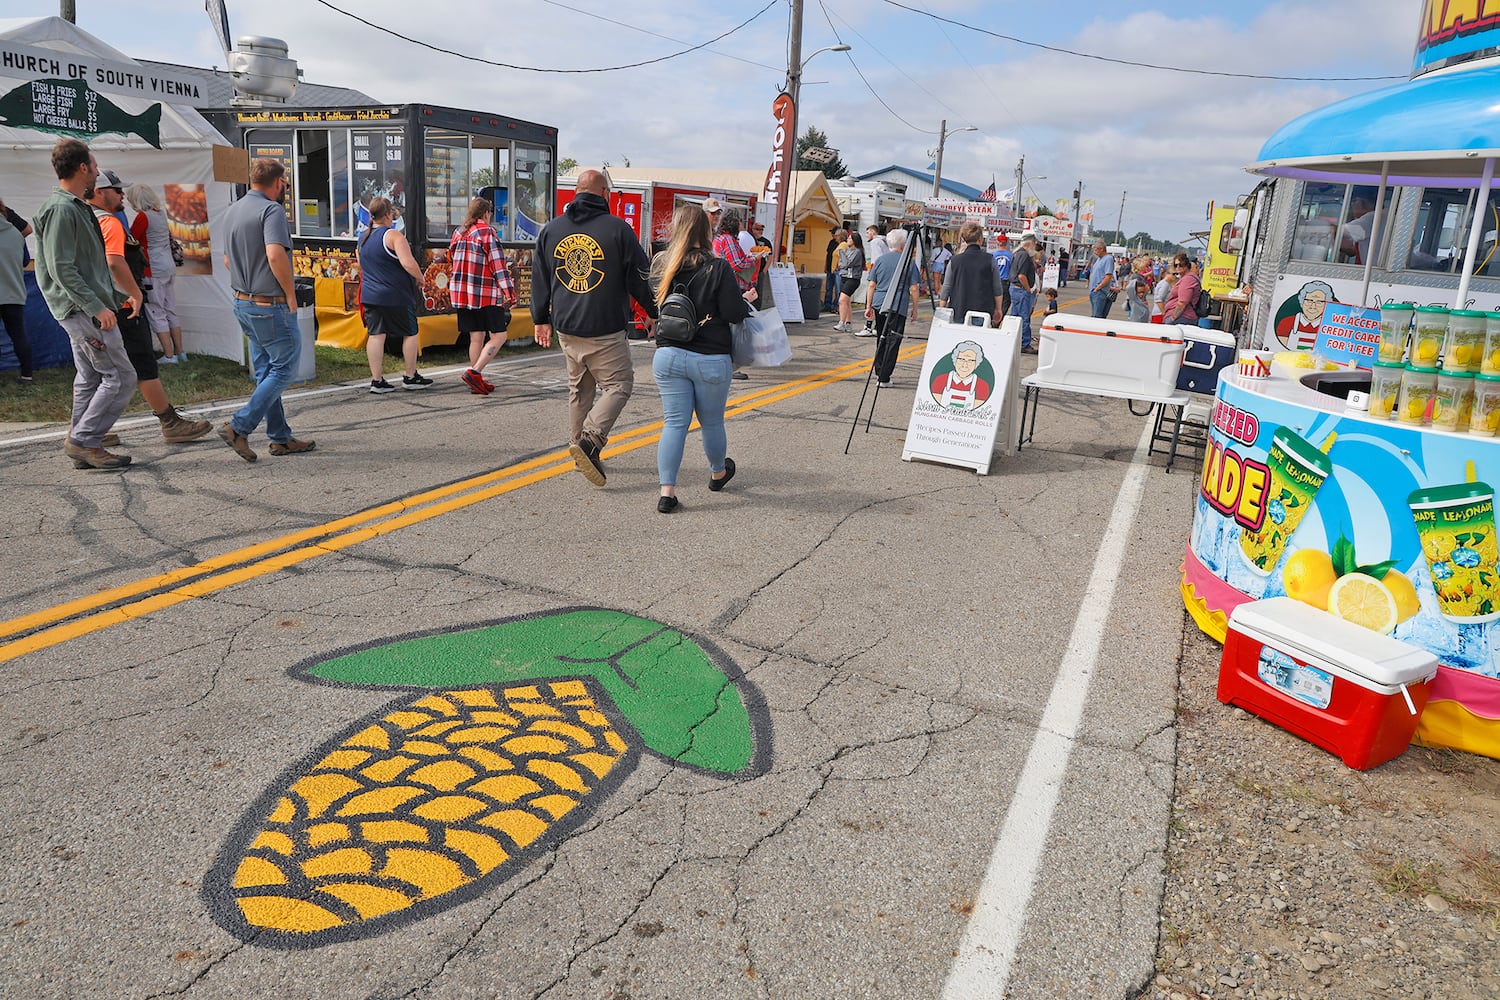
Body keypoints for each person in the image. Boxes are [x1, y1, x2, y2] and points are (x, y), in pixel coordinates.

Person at [532, 168, 657, 487]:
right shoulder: (618, 229)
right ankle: (590, 442)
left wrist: (539, 319)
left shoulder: (551, 230)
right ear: (604, 194)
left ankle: (579, 449)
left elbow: (541, 278)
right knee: (619, 385)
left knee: (580, 389)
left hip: (567, 328)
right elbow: (640, 276)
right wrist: (652, 310)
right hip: (603, 327)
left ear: (576, 193)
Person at [88, 169, 213, 446]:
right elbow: (114, 261)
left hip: (112, 299)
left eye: (124, 190)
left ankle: (87, 430)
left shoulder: (91, 219)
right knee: (139, 360)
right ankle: (169, 421)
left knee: (96, 371)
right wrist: (135, 294)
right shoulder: (109, 221)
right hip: (122, 303)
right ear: (98, 192)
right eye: (117, 190)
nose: (122, 194)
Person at [32, 140, 136, 469]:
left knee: (90, 377)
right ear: (82, 168)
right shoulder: (63, 209)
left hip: (84, 307)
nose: (96, 171)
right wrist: (96, 307)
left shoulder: (74, 207)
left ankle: (82, 444)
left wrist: (117, 298)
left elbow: (87, 266)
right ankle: (85, 441)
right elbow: (62, 268)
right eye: (93, 165)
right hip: (81, 311)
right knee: (120, 376)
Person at [650, 204, 755, 514]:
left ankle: (667, 492)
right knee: (711, 422)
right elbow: (734, 313)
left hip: (668, 355)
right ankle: (717, 472)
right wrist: (745, 299)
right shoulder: (718, 267)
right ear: (705, 231)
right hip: (710, 357)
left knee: (674, 424)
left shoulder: (662, 265)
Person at [220, 157, 314, 462]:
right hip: (268, 304)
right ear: (278, 182)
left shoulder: (234, 210)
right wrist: (289, 295)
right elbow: (275, 256)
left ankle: (280, 438)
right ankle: (239, 426)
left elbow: (226, 260)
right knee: (284, 368)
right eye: (284, 182)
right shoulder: (271, 210)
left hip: (242, 301)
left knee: (266, 371)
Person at [358, 197, 432, 393]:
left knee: (376, 335)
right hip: (395, 294)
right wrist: (420, 277)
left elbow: (362, 265)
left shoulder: (362, 238)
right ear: (389, 214)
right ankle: (410, 375)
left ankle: (377, 380)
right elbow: (408, 262)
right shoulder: (393, 236)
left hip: (370, 294)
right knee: (410, 332)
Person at [449, 198, 517, 395]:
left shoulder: (458, 232)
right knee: (499, 335)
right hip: (485, 292)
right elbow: (498, 266)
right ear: (486, 213)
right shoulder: (487, 232)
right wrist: (509, 293)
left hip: (462, 293)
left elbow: (452, 258)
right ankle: (475, 372)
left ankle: (476, 378)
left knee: (476, 336)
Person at [124, 183, 185, 364]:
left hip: (152, 270)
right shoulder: (160, 214)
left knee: (156, 311)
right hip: (168, 267)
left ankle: (168, 355)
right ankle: (180, 352)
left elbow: (132, 239)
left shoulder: (143, 217)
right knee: (170, 311)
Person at [864, 229, 922, 387]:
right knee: (893, 340)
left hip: (879, 303)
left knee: (881, 338)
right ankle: (884, 376)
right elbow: (914, 288)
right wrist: (915, 308)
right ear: (904, 245)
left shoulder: (881, 260)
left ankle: (879, 370)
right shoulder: (908, 262)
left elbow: (871, 284)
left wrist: (868, 306)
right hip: (897, 305)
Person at [940, 221, 1003, 326]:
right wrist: (998, 309)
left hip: (958, 310)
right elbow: (997, 288)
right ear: (980, 239)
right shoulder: (990, 260)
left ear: (964, 239)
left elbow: (947, 287)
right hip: (983, 311)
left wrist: (942, 308)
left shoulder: (954, 260)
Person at [0, 195, 34, 387]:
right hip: (14, 291)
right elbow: (24, 261)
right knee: (18, 334)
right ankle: (27, 375)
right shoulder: (15, 234)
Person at [1010, 233, 1040, 353]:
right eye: (1034, 243)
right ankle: (1024, 343)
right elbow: (1022, 275)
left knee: (1016, 317)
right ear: (1030, 243)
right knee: (1023, 318)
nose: (1035, 245)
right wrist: (1028, 289)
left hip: (1017, 289)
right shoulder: (1024, 255)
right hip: (1021, 290)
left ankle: (1015, 340)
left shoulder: (1019, 254)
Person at [834, 230, 865, 333]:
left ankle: (841, 322)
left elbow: (847, 263)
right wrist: (842, 261)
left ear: (855, 240)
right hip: (844, 276)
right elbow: (841, 264)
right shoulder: (848, 250)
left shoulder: (857, 252)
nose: (848, 239)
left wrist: (841, 253)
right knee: (846, 302)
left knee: (842, 300)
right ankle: (848, 323)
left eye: (850, 238)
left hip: (852, 278)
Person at [1163, 253, 1202, 326]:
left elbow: (1182, 302)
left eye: (1181, 264)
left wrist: (1172, 318)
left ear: (1187, 265)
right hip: (1183, 317)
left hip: (1183, 317)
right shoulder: (1186, 278)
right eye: (1176, 265)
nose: (1178, 267)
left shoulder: (1188, 279)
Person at [1087, 241, 1116, 318]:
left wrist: (1098, 287)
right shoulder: (1099, 259)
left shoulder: (1108, 259)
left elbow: (1108, 276)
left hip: (1100, 291)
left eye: (1096, 250)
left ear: (1102, 249)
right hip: (1094, 290)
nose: (1094, 252)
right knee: (1094, 315)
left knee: (1097, 316)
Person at [1121, 255, 1152, 323]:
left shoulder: (1137, 276)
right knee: (1138, 319)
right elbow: (1136, 290)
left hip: (1138, 301)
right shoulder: (1137, 278)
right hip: (1138, 303)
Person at [990, 233, 1013, 318]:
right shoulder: (1010, 255)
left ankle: (993, 316)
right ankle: (1000, 317)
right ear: (1006, 243)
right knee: (1005, 301)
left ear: (997, 242)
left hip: (994, 280)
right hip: (1005, 281)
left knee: (993, 300)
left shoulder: (993, 255)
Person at [822, 227, 842, 312]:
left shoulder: (842, 244)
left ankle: (836, 305)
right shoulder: (831, 242)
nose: (833, 235)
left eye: (834, 234)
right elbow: (828, 255)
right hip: (830, 268)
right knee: (828, 287)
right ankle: (827, 305)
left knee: (838, 289)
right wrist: (826, 266)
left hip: (837, 269)